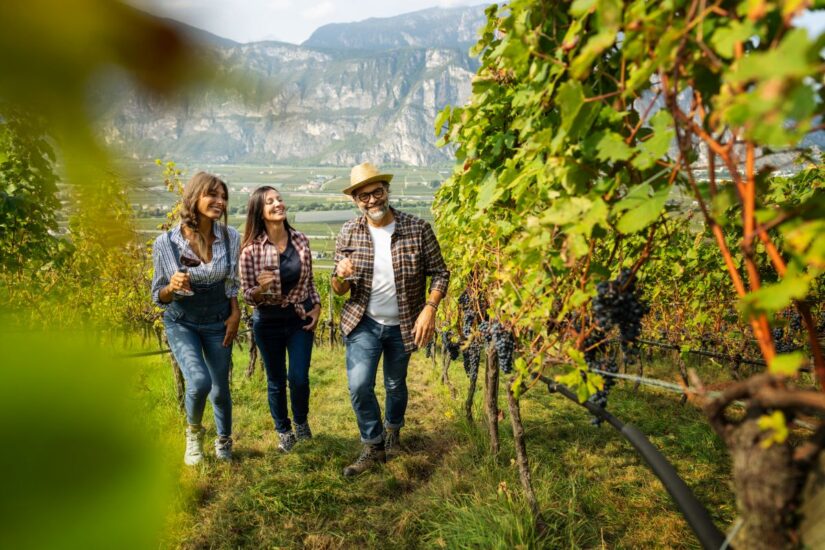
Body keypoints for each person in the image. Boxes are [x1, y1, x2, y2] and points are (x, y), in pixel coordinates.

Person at [332, 162, 450, 477]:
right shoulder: (349, 231)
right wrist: (340, 276)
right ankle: (373, 445)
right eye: (364, 196)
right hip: (364, 322)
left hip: (404, 324)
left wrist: (430, 308)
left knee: (395, 384)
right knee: (359, 385)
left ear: (386, 191)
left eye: (377, 192)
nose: (372, 200)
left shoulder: (417, 228)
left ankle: (393, 431)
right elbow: (339, 288)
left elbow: (440, 272)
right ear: (355, 200)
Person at [151, 172, 241, 465]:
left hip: (219, 320)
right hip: (182, 321)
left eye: (223, 196)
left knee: (220, 388)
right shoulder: (166, 243)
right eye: (212, 195)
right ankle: (193, 436)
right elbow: (159, 295)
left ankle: (224, 439)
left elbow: (232, 283)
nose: (220, 201)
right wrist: (171, 287)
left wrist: (235, 313)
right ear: (194, 198)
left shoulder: (231, 237)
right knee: (200, 382)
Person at [239, 186, 321, 452]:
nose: (278, 204)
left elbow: (310, 281)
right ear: (259, 211)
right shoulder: (250, 251)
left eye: (280, 199)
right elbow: (247, 295)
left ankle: (301, 422)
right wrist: (260, 289)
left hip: (299, 317)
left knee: (299, 378)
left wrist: (317, 306)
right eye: (270, 202)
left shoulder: (301, 240)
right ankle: (284, 431)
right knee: (275, 380)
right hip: (268, 321)